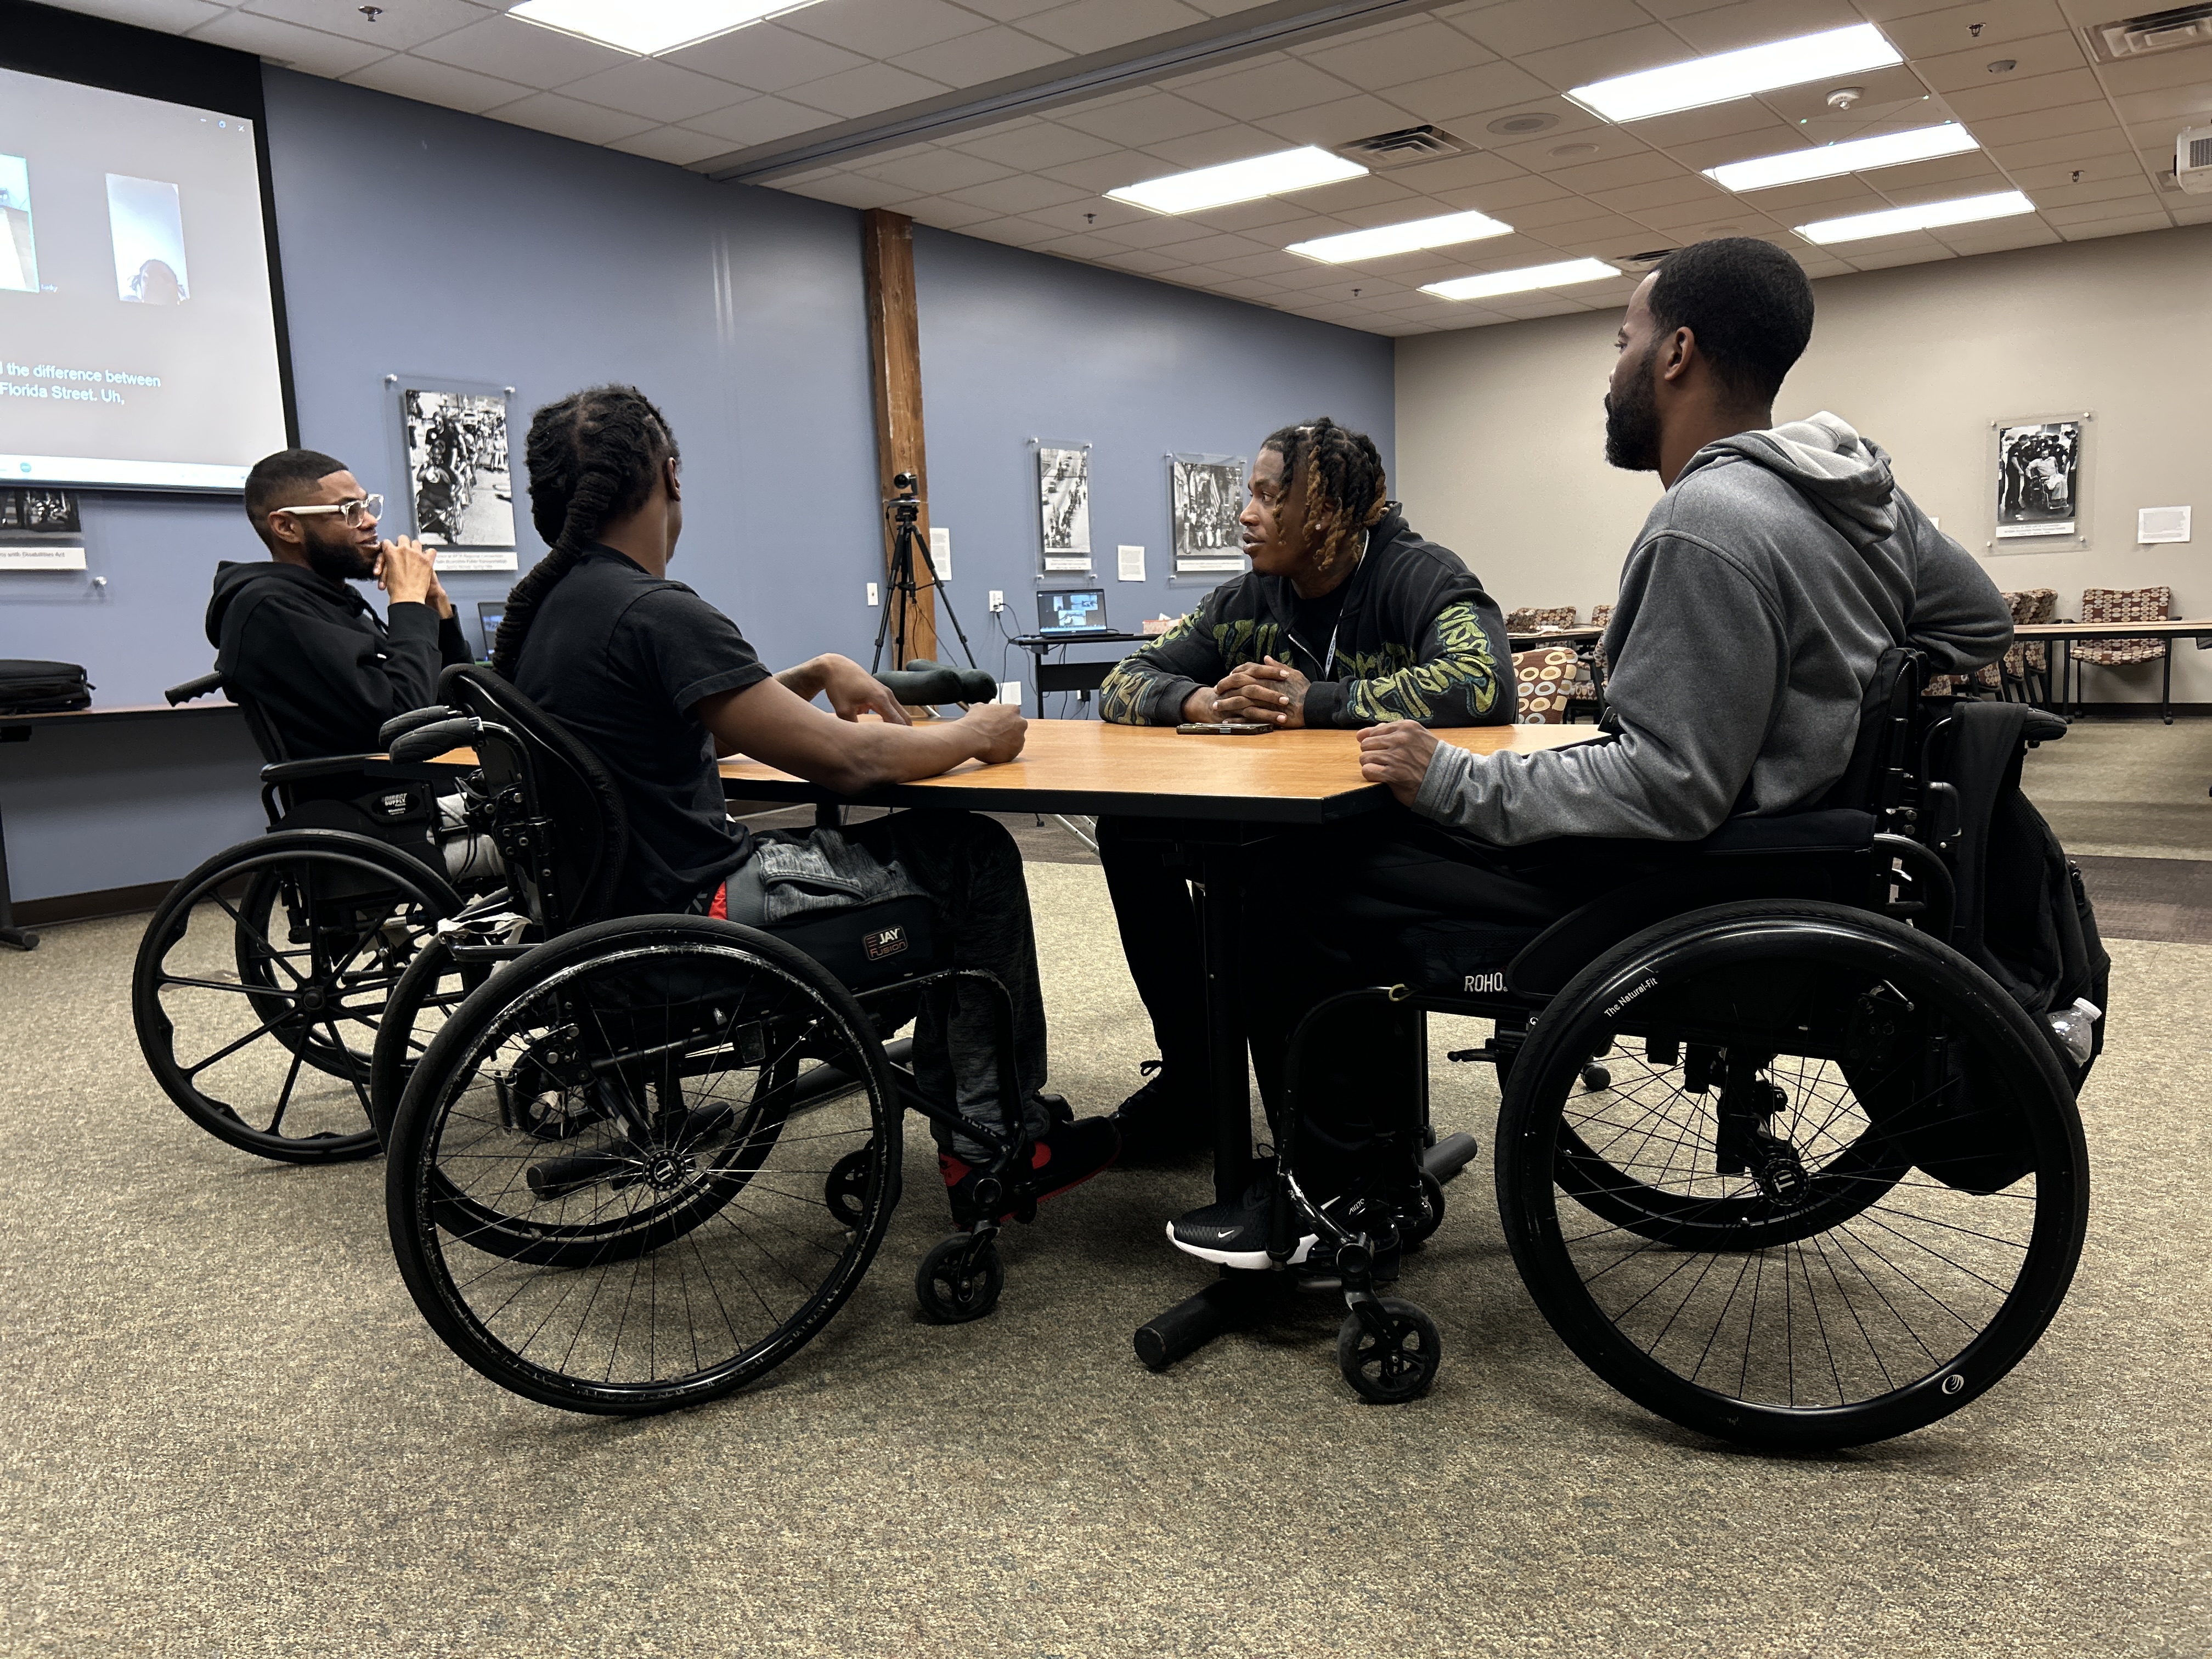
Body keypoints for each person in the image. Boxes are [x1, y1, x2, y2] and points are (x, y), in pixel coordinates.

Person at [1166, 238, 2015, 1267]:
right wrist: (1834, 690)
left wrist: (1449, 775)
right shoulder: (1854, 491)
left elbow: (1664, 784)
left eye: (1623, 340)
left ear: (1676, 355)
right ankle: (1363, 1160)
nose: (1611, 367)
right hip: (1805, 848)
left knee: (1289, 872)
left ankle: (1334, 1196)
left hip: (1691, 874)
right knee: (1363, 842)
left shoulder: (1704, 521)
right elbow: (1976, 622)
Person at [494, 384, 1117, 1223]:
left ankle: (972, 1106)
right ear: (671, 479)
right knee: (972, 855)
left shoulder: (546, 617)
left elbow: (692, 730)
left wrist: (819, 670)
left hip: (614, 923)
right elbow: (851, 762)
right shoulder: (655, 611)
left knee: (923, 852)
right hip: (704, 920)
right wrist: (977, 733)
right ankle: (997, 1144)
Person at [1093, 417, 1513, 1156]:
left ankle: (1325, 1144)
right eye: (1247, 496)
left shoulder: (1419, 575)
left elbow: (1483, 685)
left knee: (1272, 875)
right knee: (1129, 835)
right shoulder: (1247, 599)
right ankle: (1199, 1080)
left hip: (1396, 830)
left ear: (1321, 510)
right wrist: (1201, 702)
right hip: (1280, 819)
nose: (1245, 515)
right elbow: (1123, 680)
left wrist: (1312, 702)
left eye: (1265, 496)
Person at [208, 448, 470, 758]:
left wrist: (434, 609)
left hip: (426, 785)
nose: (370, 521)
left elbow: (464, 705)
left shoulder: (339, 602)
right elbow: (404, 726)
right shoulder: (271, 609)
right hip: (378, 799)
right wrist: (408, 604)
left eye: (367, 505)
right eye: (349, 510)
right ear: (287, 527)